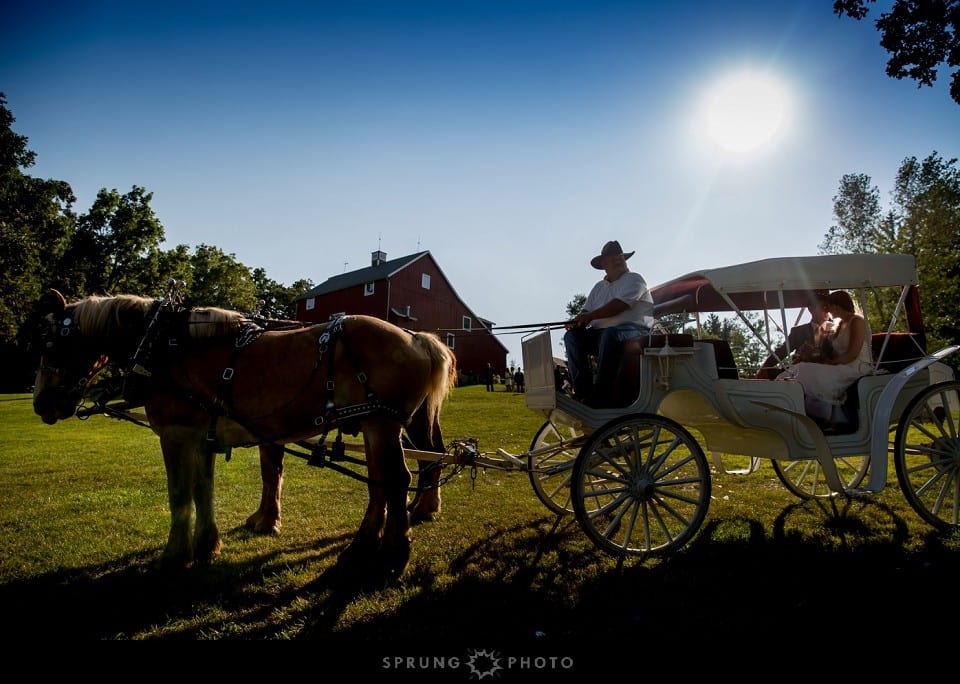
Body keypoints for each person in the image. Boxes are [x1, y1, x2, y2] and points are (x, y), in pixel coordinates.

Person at [564, 240, 654, 407]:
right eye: (613, 258)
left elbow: (619, 306)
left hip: (635, 330)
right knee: (572, 337)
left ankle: (601, 394)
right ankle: (582, 392)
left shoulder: (635, 279)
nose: (619, 260)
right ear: (604, 264)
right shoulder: (598, 287)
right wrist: (577, 321)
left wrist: (590, 316)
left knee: (610, 333)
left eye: (620, 257)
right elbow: (586, 311)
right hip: (603, 335)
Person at [776, 289, 874, 427]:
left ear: (836, 306)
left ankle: (831, 416)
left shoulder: (857, 322)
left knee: (804, 371)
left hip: (855, 367)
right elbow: (834, 353)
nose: (827, 311)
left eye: (828, 306)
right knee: (801, 369)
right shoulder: (839, 325)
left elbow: (852, 353)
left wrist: (831, 363)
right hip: (842, 365)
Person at [757, 291, 835, 379]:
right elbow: (782, 351)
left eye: (829, 308)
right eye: (823, 307)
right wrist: (764, 369)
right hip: (800, 375)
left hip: (825, 374)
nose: (827, 310)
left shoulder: (835, 330)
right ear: (811, 309)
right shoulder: (799, 331)